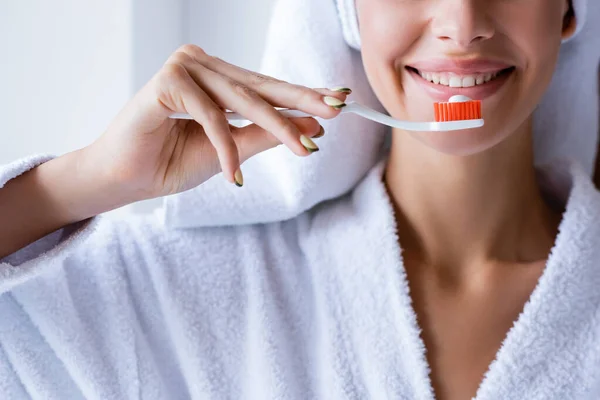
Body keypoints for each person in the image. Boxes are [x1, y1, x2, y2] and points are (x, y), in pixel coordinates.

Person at [1, 0, 599, 399]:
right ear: (349, 10)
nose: (462, 23)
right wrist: (88, 180)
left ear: (569, 8)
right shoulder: (187, 289)